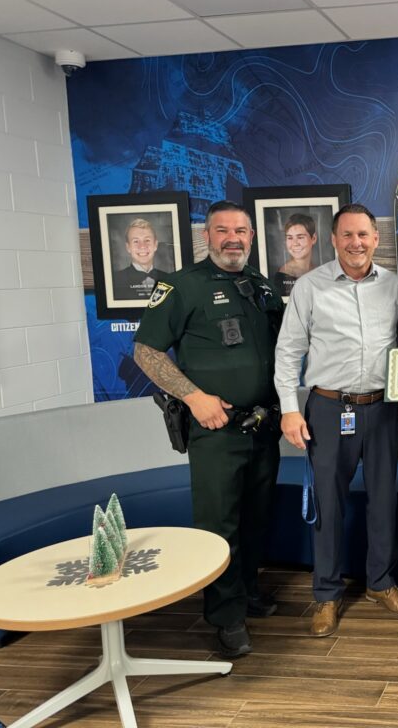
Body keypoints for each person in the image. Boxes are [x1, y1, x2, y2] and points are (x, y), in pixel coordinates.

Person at [133, 200, 284, 658]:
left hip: (263, 425)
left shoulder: (262, 286)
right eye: (223, 231)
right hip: (215, 430)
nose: (232, 238)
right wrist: (194, 398)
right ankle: (225, 616)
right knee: (218, 527)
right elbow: (147, 352)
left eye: (241, 231)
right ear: (207, 237)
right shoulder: (181, 286)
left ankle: (248, 592)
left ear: (252, 237)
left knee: (257, 519)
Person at [274, 203, 398, 637]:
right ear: (333, 241)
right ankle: (327, 594)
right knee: (329, 505)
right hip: (329, 408)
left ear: (376, 239)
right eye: (347, 235)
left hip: (382, 407)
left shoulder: (394, 287)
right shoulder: (309, 287)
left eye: (364, 235)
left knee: (382, 500)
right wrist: (288, 408)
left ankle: (380, 583)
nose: (356, 243)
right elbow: (288, 351)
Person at [113, 218, 166, 300]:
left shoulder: (170, 279)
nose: (142, 246)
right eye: (136, 241)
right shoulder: (115, 281)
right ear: (128, 247)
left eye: (147, 240)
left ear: (155, 245)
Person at [273, 212, 319, 295]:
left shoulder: (319, 271)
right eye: (290, 238)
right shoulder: (282, 276)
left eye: (300, 237)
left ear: (314, 238)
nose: (295, 243)